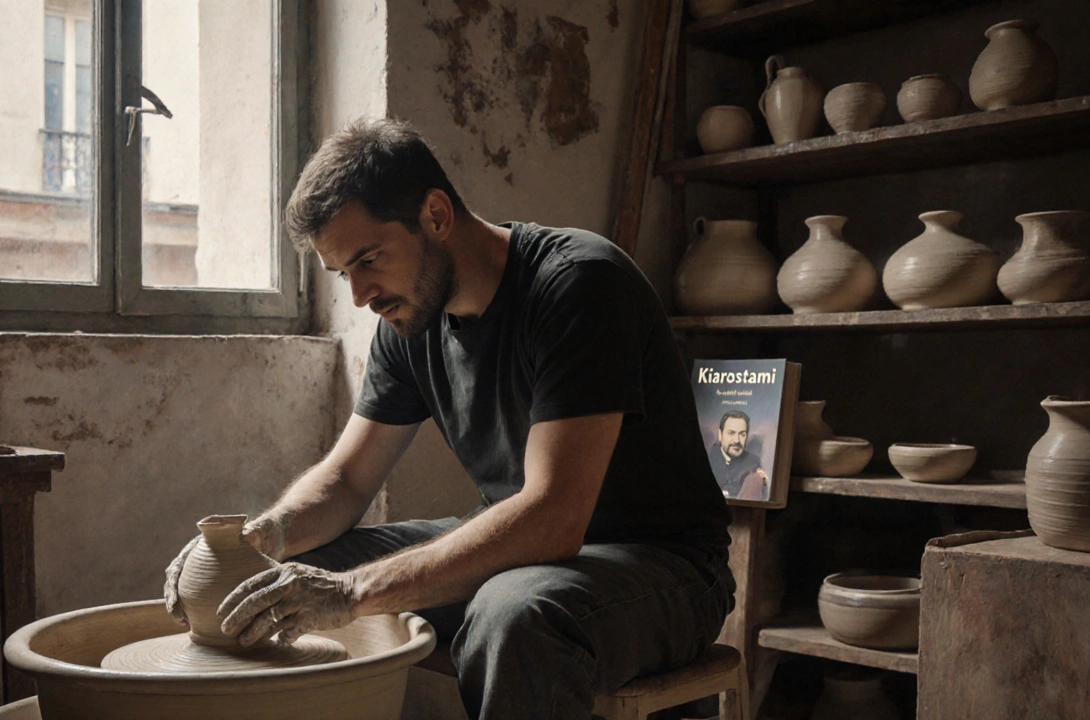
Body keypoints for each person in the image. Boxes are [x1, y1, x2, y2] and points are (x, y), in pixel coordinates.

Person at [164, 118, 735, 719]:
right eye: (344, 274)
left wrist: (351, 593)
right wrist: (263, 539)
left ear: (435, 215)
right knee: (279, 582)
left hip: (663, 566)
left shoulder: (578, 284)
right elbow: (347, 481)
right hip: (529, 552)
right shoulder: (408, 320)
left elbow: (554, 518)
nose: (360, 294)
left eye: (368, 259)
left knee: (513, 614)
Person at [707, 410, 768, 501]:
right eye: (731, 433)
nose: (737, 440)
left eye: (742, 434)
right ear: (720, 434)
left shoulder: (754, 463)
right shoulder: (706, 458)